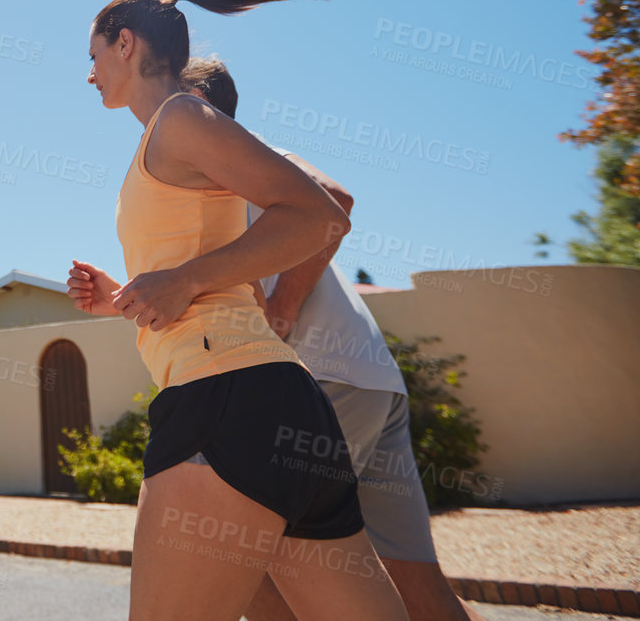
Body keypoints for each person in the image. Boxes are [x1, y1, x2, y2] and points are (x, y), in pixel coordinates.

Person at [67, 0, 409, 621]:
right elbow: (212, 280)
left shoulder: (180, 119)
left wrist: (185, 281)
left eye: (94, 55)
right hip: (276, 407)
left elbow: (319, 217)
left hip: (222, 405)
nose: (89, 73)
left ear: (125, 43)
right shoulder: (163, 142)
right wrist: (122, 299)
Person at [180, 57, 486, 621]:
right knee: (416, 583)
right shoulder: (214, 181)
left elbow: (336, 201)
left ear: (197, 105)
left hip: (320, 383)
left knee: (245, 567)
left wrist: (282, 309)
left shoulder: (241, 158)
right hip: (368, 380)